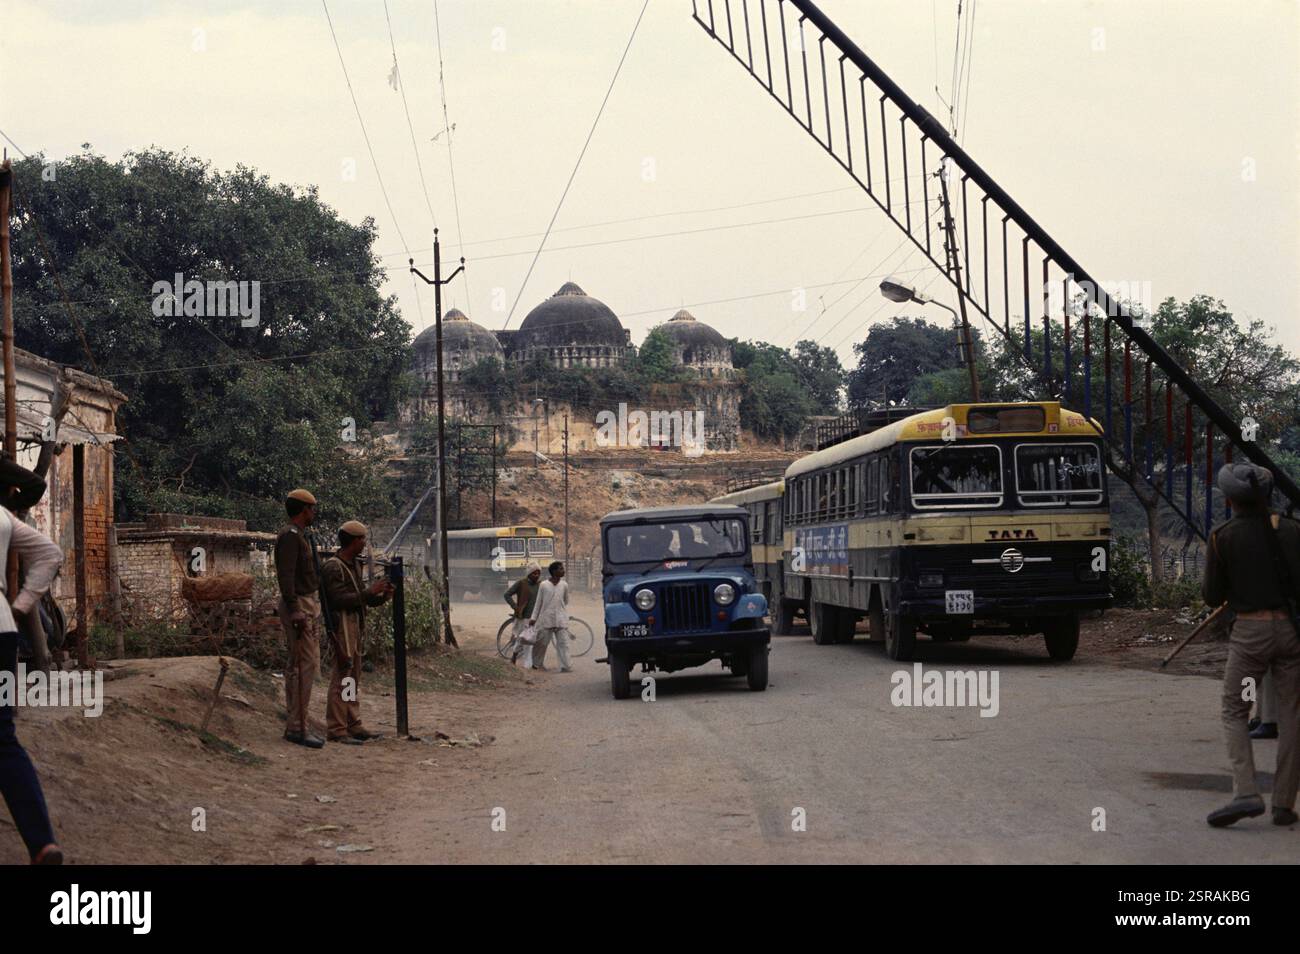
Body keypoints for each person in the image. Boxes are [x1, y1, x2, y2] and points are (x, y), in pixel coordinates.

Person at [1203, 463, 1300, 828]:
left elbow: (1212, 595)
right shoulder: (1292, 530)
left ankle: (1246, 792)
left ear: (1230, 500)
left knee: (1235, 710)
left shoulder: (1222, 537)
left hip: (1250, 636)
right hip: (1291, 633)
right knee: (1292, 715)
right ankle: (1284, 803)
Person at [0, 501, 65, 863]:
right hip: (3, 632)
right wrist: (21, 605)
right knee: (3, 740)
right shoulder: (1, 514)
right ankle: (42, 843)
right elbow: (50, 553)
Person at [320, 521, 392, 745]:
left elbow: (362, 600)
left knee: (352, 678)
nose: (364, 544)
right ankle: (337, 727)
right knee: (342, 677)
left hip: (354, 626)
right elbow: (337, 600)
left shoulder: (353, 565)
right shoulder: (333, 567)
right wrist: (369, 592)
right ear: (354, 541)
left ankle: (352, 722)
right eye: (362, 540)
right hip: (341, 627)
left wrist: (382, 596)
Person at [275, 489, 325, 749]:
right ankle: (298, 727)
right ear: (303, 509)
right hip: (299, 605)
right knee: (303, 667)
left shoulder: (301, 537)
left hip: (305, 602)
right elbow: (286, 576)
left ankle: (297, 723)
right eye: (312, 508)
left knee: (301, 666)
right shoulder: (291, 537)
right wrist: (295, 609)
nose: (314, 513)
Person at [530, 561, 572, 674]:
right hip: (546, 619)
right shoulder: (543, 585)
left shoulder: (564, 585)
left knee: (563, 643)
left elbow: (566, 601)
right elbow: (538, 603)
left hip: (561, 619)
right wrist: (533, 618)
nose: (563, 571)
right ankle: (537, 665)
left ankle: (566, 666)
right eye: (561, 569)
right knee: (541, 643)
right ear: (554, 571)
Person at [504, 562, 542, 667]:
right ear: (529, 574)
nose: (537, 575)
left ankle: (514, 656)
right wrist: (515, 607)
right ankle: (527, 666)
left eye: (539, 573)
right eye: (534, 573)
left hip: (536, 617)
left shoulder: (541, 585)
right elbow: (507, 595)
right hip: (524, 618)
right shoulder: (521, 583)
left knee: (526, 639)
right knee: (527, 642)